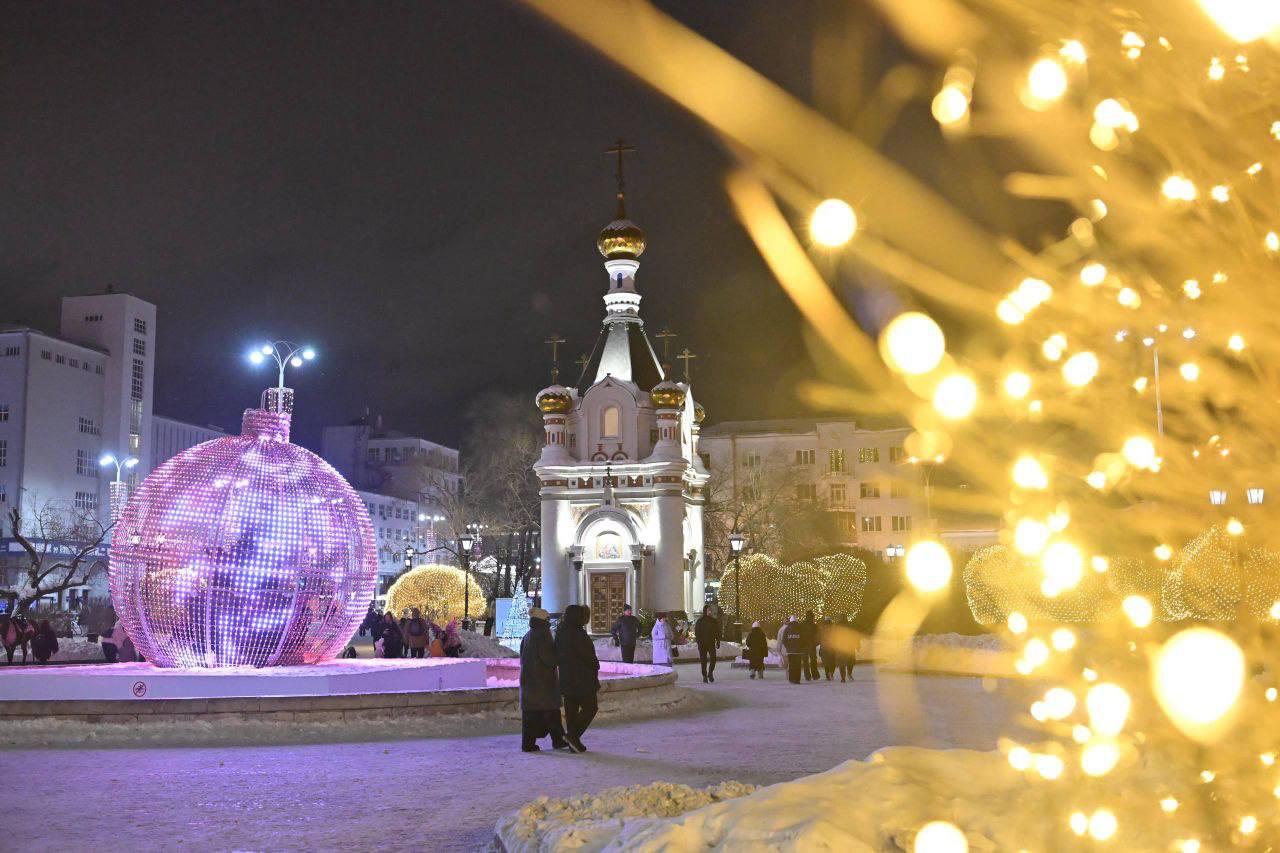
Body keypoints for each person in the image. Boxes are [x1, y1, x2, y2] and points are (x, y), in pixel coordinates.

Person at [519, 606, 572, 752]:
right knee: (552, 712)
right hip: (543, 682)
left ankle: (529, 743)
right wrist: (560, 655)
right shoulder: (543, 634)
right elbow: (549, 659)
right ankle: (558, 740)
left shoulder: (529, 634)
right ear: (544, 620)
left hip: (529, 681)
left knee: (531, 715)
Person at [555, 604, 600, 752]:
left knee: (571, 712)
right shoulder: (577, 634)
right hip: (582, 678)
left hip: (567, 678)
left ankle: (573, 744)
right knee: (590, 707)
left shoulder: (561, 632)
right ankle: (573, 737)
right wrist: (595, 665)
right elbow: (587, 656)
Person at [693, 604, 720, 683]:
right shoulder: (700, 621)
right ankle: (704, 675)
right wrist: (699, 642)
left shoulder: (713, 621)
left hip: (711, 643)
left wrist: (718, 641)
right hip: (702, 644)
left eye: (710, 610)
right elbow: (697, 633)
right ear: (705, 611)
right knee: (703, 661)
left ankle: (710, 673)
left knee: (713, 659)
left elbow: (717, 632)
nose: (710, 611)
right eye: (708, 610)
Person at [781, 615, 805, 684]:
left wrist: (788, 647)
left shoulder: (787, 629)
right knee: (798, 666)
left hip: (790, 651)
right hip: (798, 651)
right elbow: (804, 639)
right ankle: (797, 679)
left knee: (791, 665)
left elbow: (784, 640)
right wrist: (801, 646)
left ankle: (792, 679)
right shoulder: (800, 628)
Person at [839, 615, 860, 683]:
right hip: (849, 646)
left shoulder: (837, 627)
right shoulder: (850, 626)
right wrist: (857, 645)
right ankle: (849, 674)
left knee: (842, 663)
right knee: (850, 661)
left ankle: (843, 678)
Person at [800, 611, 819, 681]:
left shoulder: (801, 625)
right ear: (812, 616)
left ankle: (807, 676)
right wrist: (816, 643)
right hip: (812, 645)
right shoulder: (814, 625)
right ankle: (815, 675)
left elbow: (800, 635)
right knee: (813, 660)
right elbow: (818, 636)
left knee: (805, 661)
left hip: (803, 645)